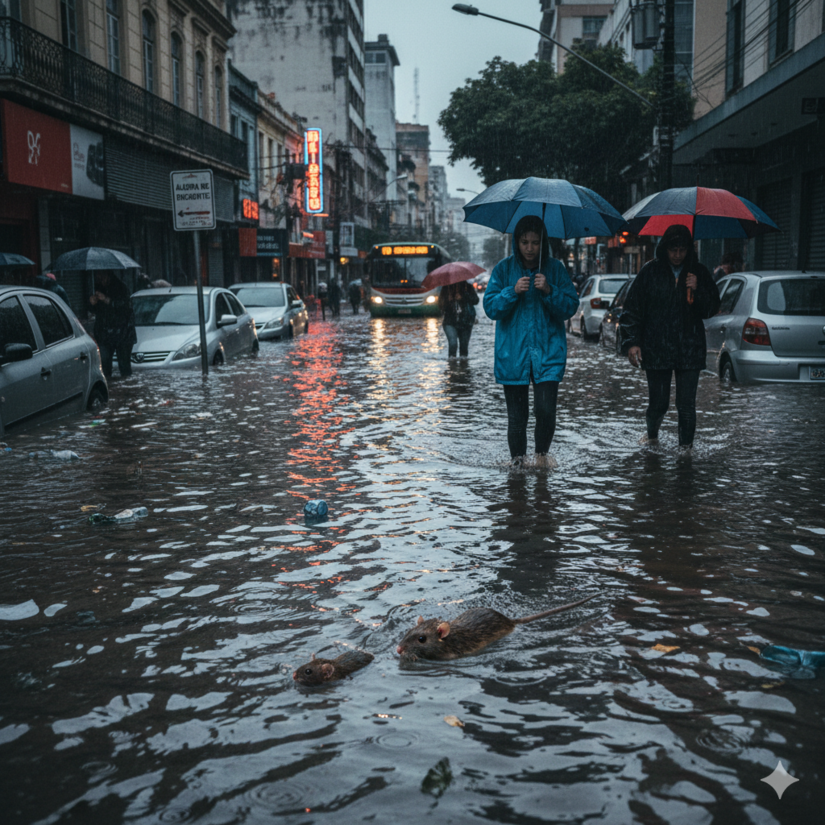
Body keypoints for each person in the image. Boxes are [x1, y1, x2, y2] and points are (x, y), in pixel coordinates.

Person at [483, 215, 579, 468]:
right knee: (517, 418)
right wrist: (511, 292)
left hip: (548, 354)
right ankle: (517, 466)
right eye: (524, 242)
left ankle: (541, 459)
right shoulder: (503, 269)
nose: (529, 248)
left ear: (542, 242)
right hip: (513, 355)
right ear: (517, 242)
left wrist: (550, 290)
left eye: (535, 242)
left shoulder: (555, 269)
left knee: (545, 412)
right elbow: (491, 308)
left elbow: (570, 307)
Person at [620, 224, 721, 450]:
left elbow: (711, 308)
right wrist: (633, 342)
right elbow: (632, 309)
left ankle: (686, 452)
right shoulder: (650, 272)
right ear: (665, 248)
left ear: (688, 250)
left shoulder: (699, 272)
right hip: (656, 348)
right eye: (673, 249)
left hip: (690, 348)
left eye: (682, 250)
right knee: (659, 403)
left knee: (686, 405)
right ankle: (652, 439)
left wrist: (698, 290)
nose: (677, 255)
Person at [89, 270, 136, 378]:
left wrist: (107, 300)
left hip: (123, 333)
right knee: (104, 364)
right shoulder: (96, 288)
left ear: (108, 275)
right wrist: (91, 304)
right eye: (98, 276)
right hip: (104, 334)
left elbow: (127, 308)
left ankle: (125, 390)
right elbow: (96, 311)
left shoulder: (121, 288)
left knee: (124, 365)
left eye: (102, 276)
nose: (100, 279)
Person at [438, 280, 479, 357]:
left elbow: (476, 300)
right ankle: (452, 366)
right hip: (450, 322)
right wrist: (447, 300)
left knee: (464, 346)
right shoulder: (446, 288)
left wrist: (463, 297)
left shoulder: (468, 287)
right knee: (453, 343)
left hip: (466, 322)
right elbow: (440, 305)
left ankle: (463, 367)